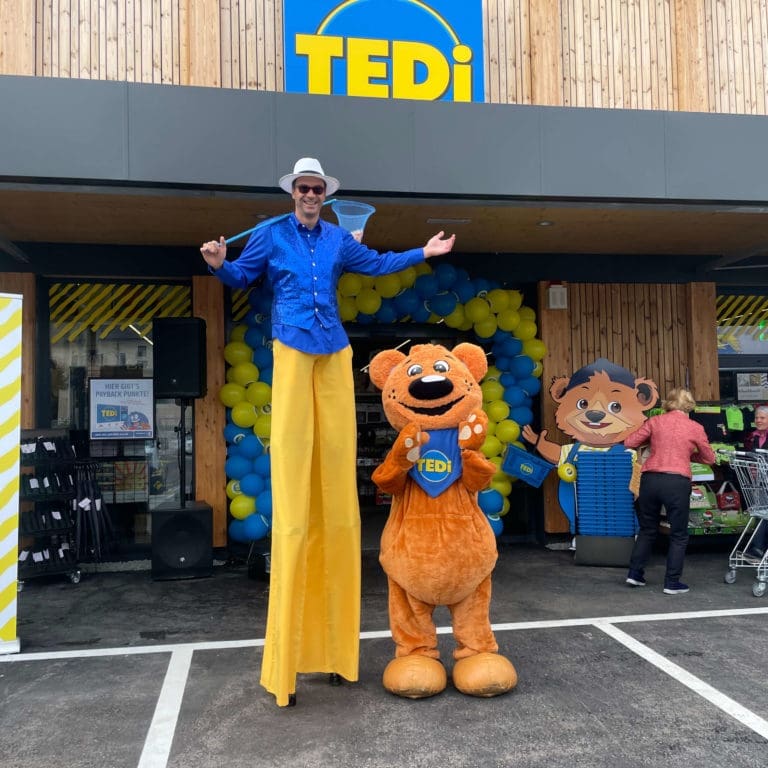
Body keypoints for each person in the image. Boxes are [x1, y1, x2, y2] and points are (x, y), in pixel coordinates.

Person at [200, 157, 455, 707]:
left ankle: (341, 654)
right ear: (293, 192)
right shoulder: (270, 236)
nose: (311, 194)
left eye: (318, 188)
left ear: (323, 194)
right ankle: (291, 659)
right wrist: (220, 264)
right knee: (295, 463)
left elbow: (381, 263)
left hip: (333, 348)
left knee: (336, 471)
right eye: (304, 188)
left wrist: (424, 253)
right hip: (291, 343)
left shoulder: (339, 241)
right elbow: (244, 276)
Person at [623, 388, 715, 594]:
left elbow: (629, 442)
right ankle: (672, 582)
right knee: (679, 534)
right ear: (689, 405)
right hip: (677, 482)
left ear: (668, 403)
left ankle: (635, 574)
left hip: (651, 479)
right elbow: (710, 458)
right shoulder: (695, 427)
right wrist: (688, 457)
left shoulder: (655, 422)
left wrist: (653, 444)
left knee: (647, 529)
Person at [743, 404, 768, 560]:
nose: (758, 420)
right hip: (759, 483)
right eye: (756, 418)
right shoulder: (754, 437)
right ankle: (759, 547)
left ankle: (758, 547)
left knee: (764, 513)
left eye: (762, 418)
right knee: (761, 513)